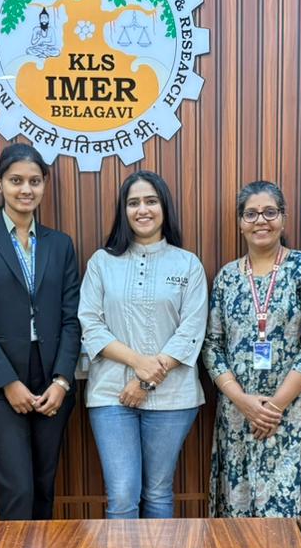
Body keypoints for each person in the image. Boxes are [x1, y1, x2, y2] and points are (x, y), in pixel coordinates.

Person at [0, 143, 80, 520]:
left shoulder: (60, 244)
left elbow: (72, 318)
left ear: (44, 184)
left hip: (51, 376)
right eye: (16, 181)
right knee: (18, 488)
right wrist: (8, 382)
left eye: (34, 181)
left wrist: (62, 381)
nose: (26, 189)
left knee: (44, 485)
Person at [79, 170, 207, 518]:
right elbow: (90, 324)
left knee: (158, 492)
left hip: (173, 397)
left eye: (151, 201)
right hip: (110, 395)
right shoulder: (102, 262)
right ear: (124, 211)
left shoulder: (188, 264)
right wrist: (139, 364)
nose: (142, 209)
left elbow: (192, 330)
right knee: (122, 495)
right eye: (133, 203)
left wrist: (146, 380)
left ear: (164, 207)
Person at [202, 181, 301, 516]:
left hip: (292, 411)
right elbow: (212, 345)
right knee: (240, 511)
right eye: (251, 214)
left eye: (270, 212)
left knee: (289, 515)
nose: (261, 220)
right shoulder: (227, 277)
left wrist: (274, 406)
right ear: (240, 223)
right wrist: (242, 401)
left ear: (283, 219)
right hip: (238, 413)